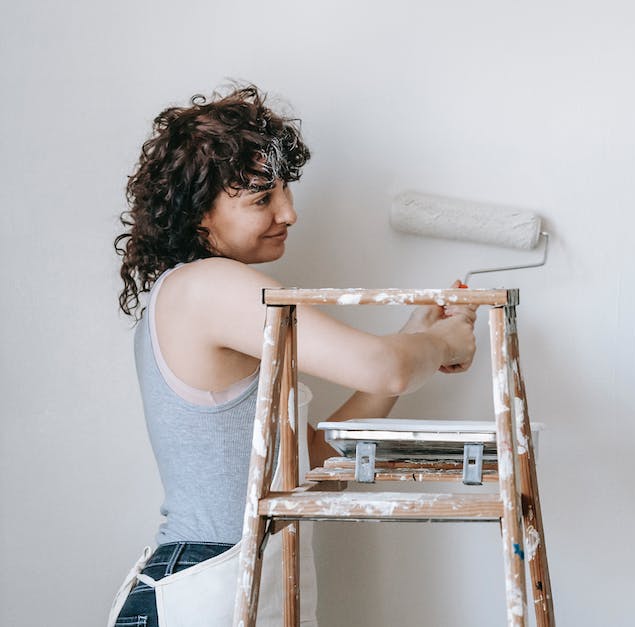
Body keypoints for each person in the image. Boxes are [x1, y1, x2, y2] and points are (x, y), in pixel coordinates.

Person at [108, 85, 478, 626]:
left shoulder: (192, 294)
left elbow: (306, 468)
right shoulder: (210, 286)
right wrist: (442, 345)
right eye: (262, 199)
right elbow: (387, 365)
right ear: (198, 217)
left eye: (285, 190)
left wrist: (415, 333)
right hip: (208, 580)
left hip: (218, 580)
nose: (290, 212)